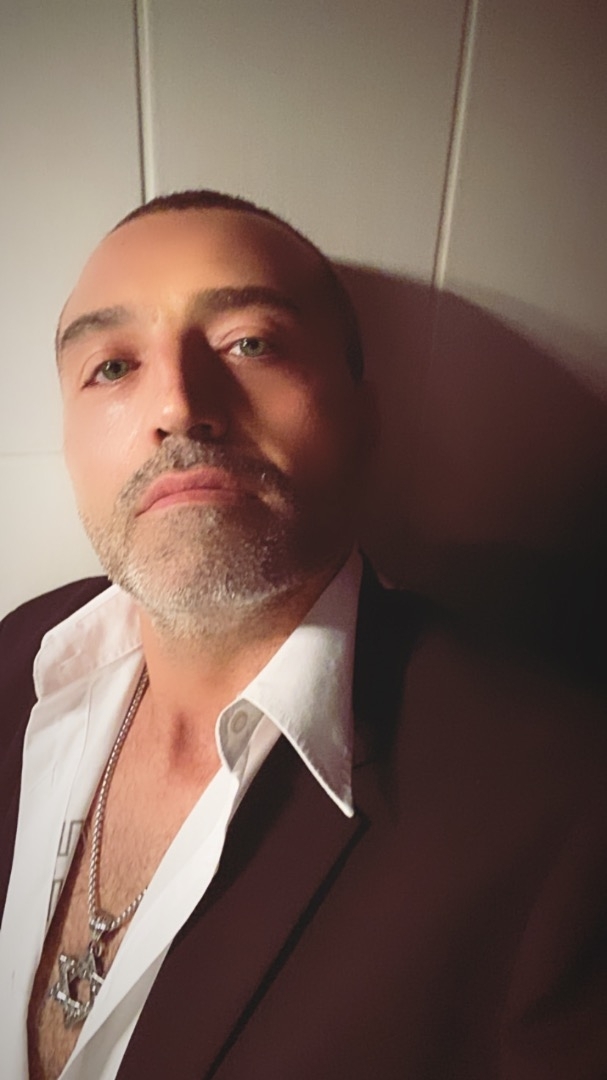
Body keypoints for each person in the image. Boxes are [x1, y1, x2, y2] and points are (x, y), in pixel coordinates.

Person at [0, 191, 606, 1080]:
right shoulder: (17, 653)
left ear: (364, 416)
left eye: (250, 343)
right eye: (112, 366)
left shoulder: (565, 810)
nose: (178, 405)